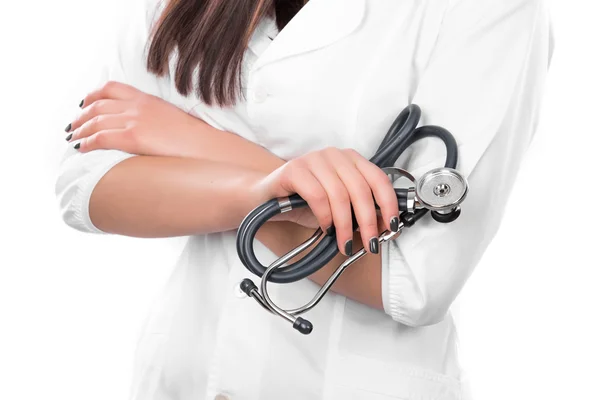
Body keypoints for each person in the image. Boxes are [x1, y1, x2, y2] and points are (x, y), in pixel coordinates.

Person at [55, 0, 553, 398]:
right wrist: (270, 190)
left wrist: (190, 142)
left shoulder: (494, 8)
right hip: (181, 370)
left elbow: (411, 280)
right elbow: (88, 188)